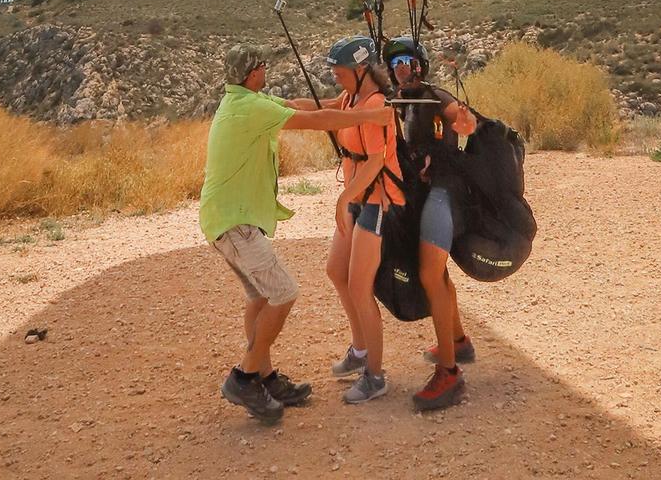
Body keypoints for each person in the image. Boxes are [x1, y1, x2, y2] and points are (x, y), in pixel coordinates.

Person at [199, 41, 398, 424]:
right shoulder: (251, 107)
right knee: (283, 292)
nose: (265, 71)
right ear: (252, 72)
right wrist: (370, 117)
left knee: (259, 298)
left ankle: (266, 378)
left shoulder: (242, 102)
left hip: (225, 220)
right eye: (262, 66)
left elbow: (297, 107)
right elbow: (316, 122)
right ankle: (244, 377)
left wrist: (350, 108)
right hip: (235, 223)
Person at [385, 34, 477, 412]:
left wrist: (464, 121)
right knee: (437, 275)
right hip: (427, 192)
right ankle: (457, 340)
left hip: (445, 192)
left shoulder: (434, 96)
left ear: (420, 64)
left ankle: (449, 373)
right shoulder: (403, 101)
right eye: (395, 65)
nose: (401, 69)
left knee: (429, 275)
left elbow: (459, 118)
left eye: (406, 62)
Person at [323, 36, 404, 403]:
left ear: (360, 70)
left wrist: (344, 196)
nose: (336, 79)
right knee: (336, 271)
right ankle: (359, 351)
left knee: (359, 286)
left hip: (375, 203)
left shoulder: (375, 105)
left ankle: (375, 375)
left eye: (340, 73)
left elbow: (375, 161)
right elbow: (324, 110)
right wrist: (281, 108)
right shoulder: (350, 99)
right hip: (357, 200)